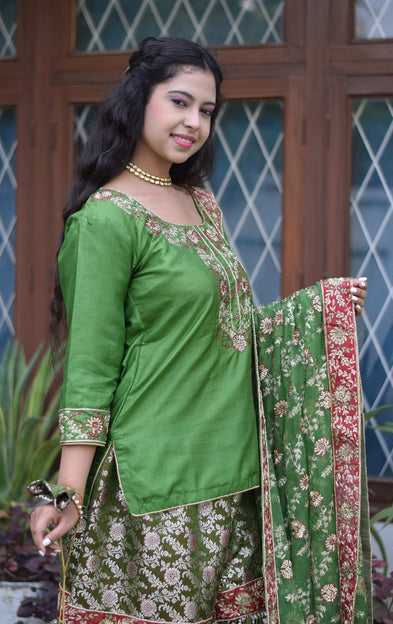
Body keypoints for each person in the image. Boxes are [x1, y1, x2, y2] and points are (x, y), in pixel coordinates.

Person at [28, 36, 370, 624]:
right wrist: (68, 493)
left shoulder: (199, 202)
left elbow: (225, 329)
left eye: (207, 110)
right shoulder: (106, 219)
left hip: (236, 470)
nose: (194, 122)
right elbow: (90, 364)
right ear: (139, 100)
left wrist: (317, 310)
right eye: (180, 102)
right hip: (156, 482)